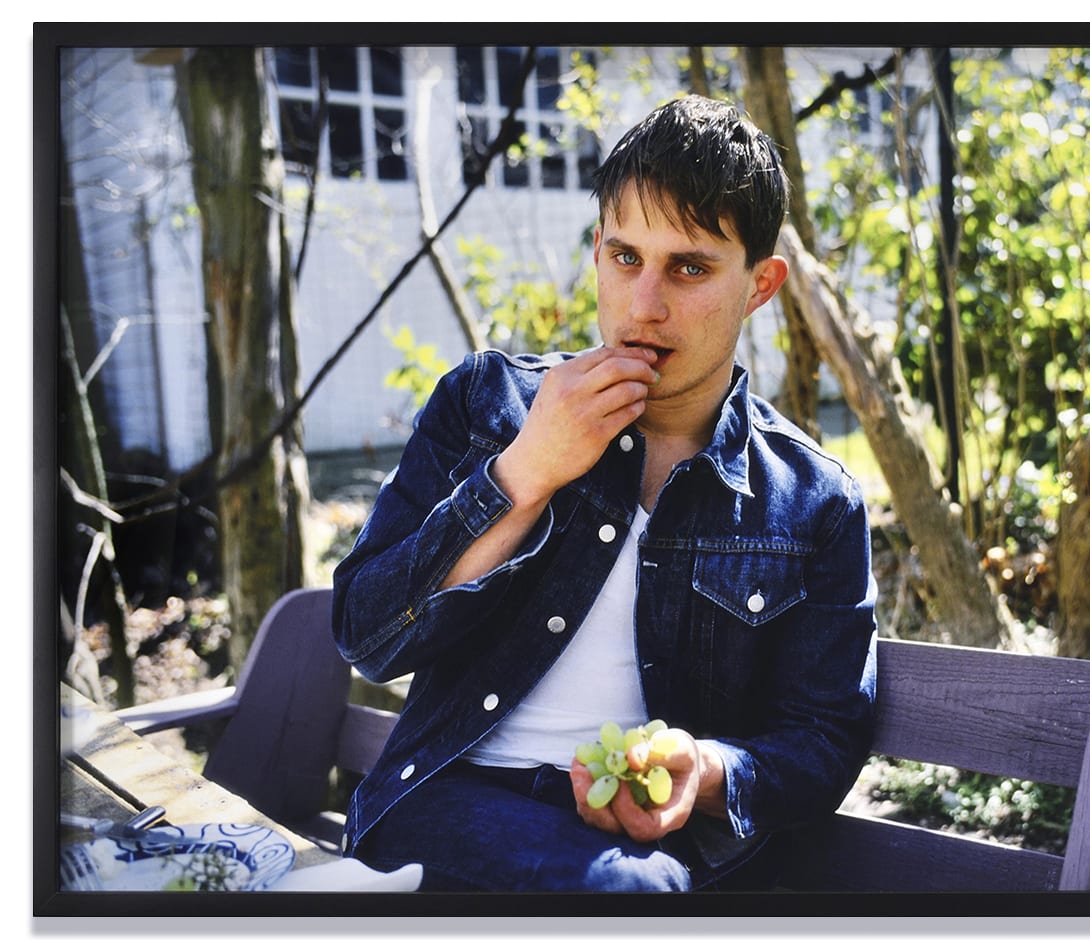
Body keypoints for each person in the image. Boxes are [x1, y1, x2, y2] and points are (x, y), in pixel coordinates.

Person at [331, 94, 878, 892]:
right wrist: (525, 471)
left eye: (688, 268)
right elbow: (367, 637)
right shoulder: (486, 405)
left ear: (760, 285)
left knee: (633, 887)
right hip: (442, 803)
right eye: (625, 257)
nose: (644, 305)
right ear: (596, 250)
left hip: (652, 854)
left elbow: (823, 740)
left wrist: (703, 770)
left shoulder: (812, 500)